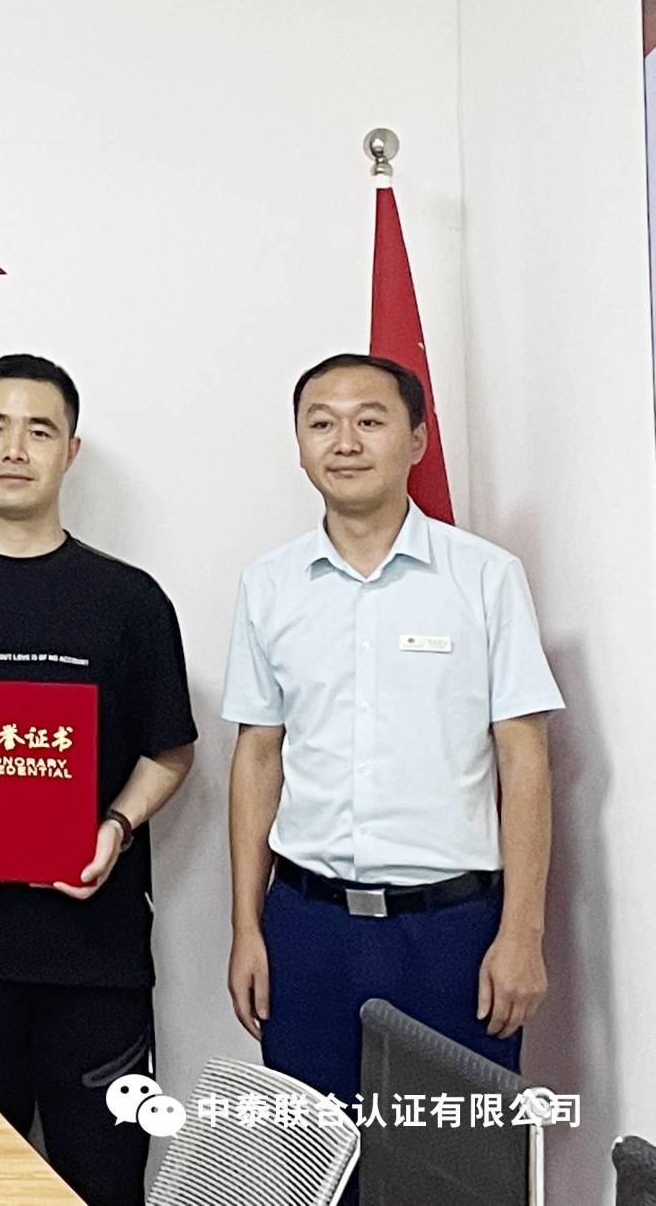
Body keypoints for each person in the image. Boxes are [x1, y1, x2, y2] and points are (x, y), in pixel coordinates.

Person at [0, 355, 197, 1206]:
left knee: (106, 1185)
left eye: (40, 429)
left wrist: (115, 827)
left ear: (71, 450)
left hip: (98, 961)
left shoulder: (130, 601)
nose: (15, 448)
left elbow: (170, 751)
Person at [225, 353, 562, 1109]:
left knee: (453, 1157)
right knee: (313, 1154)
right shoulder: (269, 584)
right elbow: (258, 756)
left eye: (369, 420)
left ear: (416, 439)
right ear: (300, 443)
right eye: (322, 423)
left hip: (451, 934)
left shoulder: (485, 577)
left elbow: (525, 759)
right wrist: (247, 926)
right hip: (307, 928)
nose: (345, 441)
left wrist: (522, 934)